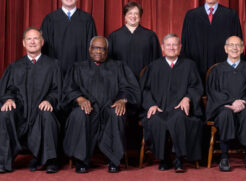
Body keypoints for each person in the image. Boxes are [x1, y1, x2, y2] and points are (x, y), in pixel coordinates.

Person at [62, 36, 140, 173]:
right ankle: (82, 160)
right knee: (79, 115)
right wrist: (79, 99)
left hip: (109, 107)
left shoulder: (118, 66)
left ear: (107, 51)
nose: (99, 51)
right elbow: (68, 89)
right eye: (95, 48)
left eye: (102, 49)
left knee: (117, 113)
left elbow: (130, 88)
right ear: (89, 49)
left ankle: (114, 160)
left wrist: (123, 100)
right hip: (87, 108)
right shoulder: (78, 67)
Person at [0, 27, 61, 174]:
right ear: (23, 43)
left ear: (42, 42)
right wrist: (8, 99)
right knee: (5, 114)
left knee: (47, 114)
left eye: (36, 38)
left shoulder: (53, 65)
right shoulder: (15, 66)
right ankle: (4, 161)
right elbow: (8, 89)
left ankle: (50, 161)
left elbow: (58, 89)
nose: (32, 42)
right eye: (29, 39)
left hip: (41, 110)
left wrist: (49, 100)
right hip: (21, 110)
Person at [140, 34, 203, 173]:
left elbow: (196, 87)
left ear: (180, 47)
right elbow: (145, 89)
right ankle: (164, 159)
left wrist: (187, 98)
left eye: (175, 45)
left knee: (179, 118)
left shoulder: (189, 65)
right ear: (162, 47)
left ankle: (179, 159)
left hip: (180, 108)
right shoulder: (154, 66)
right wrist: (151, 104)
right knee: (156, 120)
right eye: (168, 45)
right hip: (159, 108)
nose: (172, 48)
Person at [206, 36, 246, 172]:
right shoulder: (217, 70)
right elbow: (213, 92)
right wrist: (231, 102)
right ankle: (224, 157)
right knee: (225, 114)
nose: (234, 48)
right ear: (225, 48)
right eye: (231, 45)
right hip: (224, 107)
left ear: (243, 48)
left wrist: (242, 102)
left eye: (238, 45)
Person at [181, 0, 242, 80]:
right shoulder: (191, 15)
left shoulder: (230, 15)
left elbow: (238, 42)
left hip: (224, 69)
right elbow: (185, 44)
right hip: (197, 68)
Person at [41, 0, 97, 75]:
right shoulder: (50, 19)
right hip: (56, 72)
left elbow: (93, 47)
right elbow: (44, 48)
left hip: (81, 72)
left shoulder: (87, 19)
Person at [107, 2, 162, 79]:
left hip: (145, 82)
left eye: (136, 13)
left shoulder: (150, 36)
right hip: (121, 82)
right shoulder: (114, 36)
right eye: (130, 13)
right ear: (125, 16)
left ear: (140, 16)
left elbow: (157, 61)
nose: (133, 16)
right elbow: (109, 63)